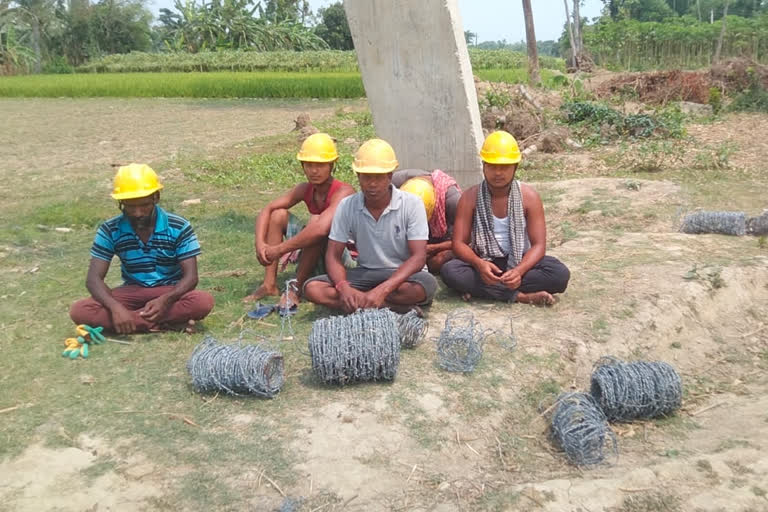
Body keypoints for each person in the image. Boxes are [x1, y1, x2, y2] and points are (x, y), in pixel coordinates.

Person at [70, 164, 214, 334]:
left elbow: (191, 278)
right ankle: (160, 323)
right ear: (121, 203)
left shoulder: (179, 226)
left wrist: (165, 300)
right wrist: (116, 308)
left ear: (156, 197)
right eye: (130, 207)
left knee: (202, 301)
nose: (138, 213)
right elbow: (93, 279)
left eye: (144, 205)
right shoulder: (110, 230)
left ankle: (129, 323)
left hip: (169, 291)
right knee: (80, 310)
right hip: (132, 290)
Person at [303, 138, 438, 314]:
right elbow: (333, 254)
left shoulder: (412, 204)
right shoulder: (347, 205)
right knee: (313, 287)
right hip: (365, 273)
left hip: (401, 275)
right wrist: (343, 287)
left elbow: (418, 257)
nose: (372, 184)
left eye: (379, 177)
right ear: (358, 176)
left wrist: (383, 289)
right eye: (366, 177)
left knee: (425, 286)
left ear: (390, 176)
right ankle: (388, 306)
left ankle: (364, 302)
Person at [440, 131, 570, 305]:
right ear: (484, 165)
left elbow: (539, 245)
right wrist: (479, 264)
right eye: (492, 166)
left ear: (515, 167)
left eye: (504, 167)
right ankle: (520, 296)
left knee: (559, 274)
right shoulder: (470, 197)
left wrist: (519, 271)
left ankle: (485, 291)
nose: (498, 173)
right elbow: (458, 244)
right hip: (485, 262)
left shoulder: (529, 197)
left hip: (519, 260)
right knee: (451, 271)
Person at [244, 133, 355, 306]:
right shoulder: (305, 189)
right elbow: (268, 208)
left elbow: (320, 229)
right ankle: (269, 284)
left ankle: (296, 287)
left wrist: (279, 250)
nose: (314, 171)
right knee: (278, 215)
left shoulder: (344, 192)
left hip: (341, 258)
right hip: (316, 251)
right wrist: (260, 244)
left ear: (332, 165)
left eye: (320, 165)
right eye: (309, 165)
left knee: (316, 223)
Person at [392, 168, 461, 274]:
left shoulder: (454, 201)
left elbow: (466, 241)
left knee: (439, 260)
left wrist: (431, 248)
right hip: (407, 233)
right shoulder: (395, 182)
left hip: (442, 240)